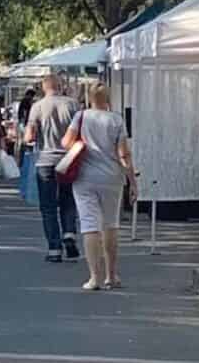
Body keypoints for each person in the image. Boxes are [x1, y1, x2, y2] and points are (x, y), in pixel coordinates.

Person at [62, 82, 137, 291]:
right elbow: (124, 154)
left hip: (85, 177)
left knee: (89, 225)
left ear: (89, 97)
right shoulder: (117, 119)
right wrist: (132, 180)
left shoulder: (81, 116)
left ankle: (94, 277)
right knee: (110, 224)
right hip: (112, 177)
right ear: (108, 97)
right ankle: (111, 275)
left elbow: (66, 142)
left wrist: (82, 145)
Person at [25, 75, 80, 262]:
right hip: (68, 160)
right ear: (60, 86)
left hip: (46, 160)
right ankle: (70, 233)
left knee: (48, 206)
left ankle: (54, 249)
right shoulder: (73, 105)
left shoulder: (37, 107)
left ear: (43, 87)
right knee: (68, 199)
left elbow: (29, 136)